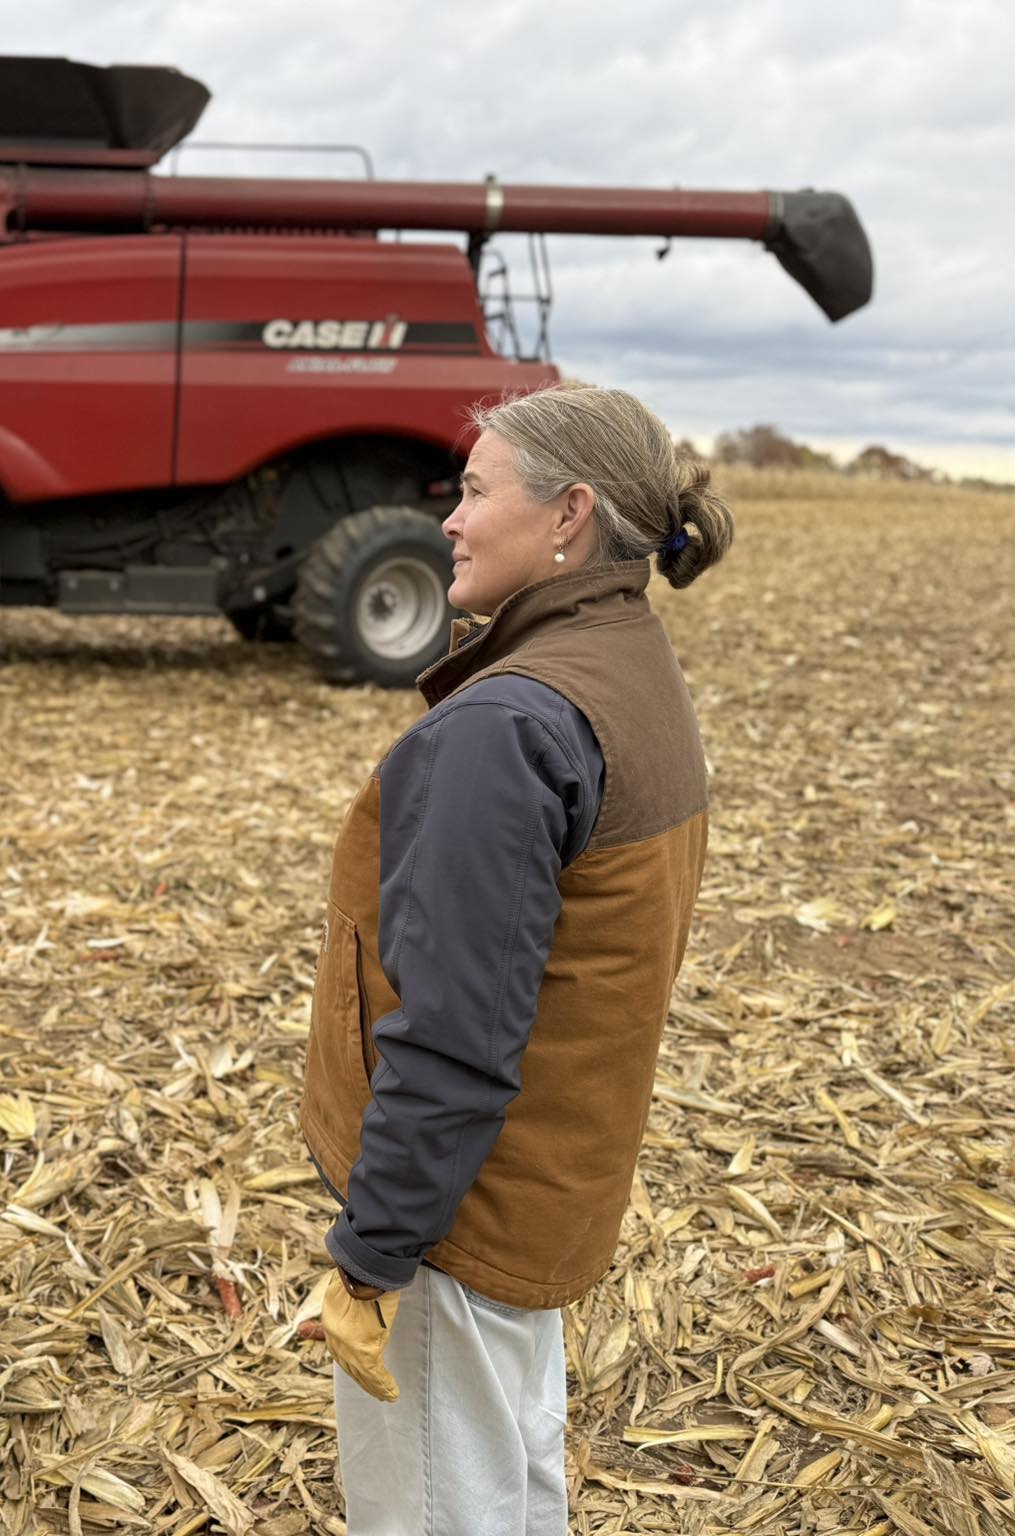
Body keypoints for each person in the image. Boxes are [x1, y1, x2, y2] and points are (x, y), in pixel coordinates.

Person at [298, 382, 734, 1534]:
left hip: (460, 1220)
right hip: (542, 1189)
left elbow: (451, 1040)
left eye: (474, 489)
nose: (445, 517)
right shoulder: (626, 663)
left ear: (566, 517)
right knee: (505, 1489)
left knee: (438, 1512)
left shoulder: (505, 728)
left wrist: (372, 1256)